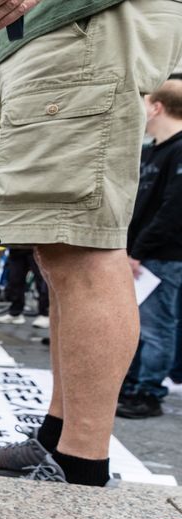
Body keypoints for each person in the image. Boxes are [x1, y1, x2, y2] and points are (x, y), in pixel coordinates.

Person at [0, 0, 182, 487]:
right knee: (58, 244)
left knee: (81, 248)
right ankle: (59, 440)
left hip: (78, 29)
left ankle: (81, 466)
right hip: (52, 36)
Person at [116, 80, 182, 419]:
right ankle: (133, 385)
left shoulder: (178, 149)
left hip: (163, 256)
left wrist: (138, 250)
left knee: (157, 327)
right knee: (139, 324)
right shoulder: (152, 150)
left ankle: (148, 391)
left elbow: (173, 209)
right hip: (141, 253)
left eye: (145, 102)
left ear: (157, 107)